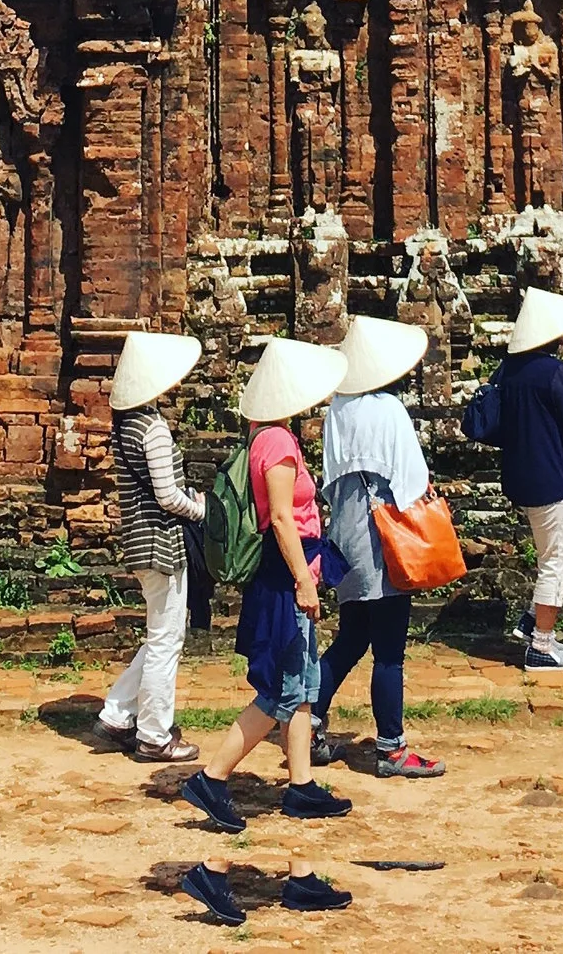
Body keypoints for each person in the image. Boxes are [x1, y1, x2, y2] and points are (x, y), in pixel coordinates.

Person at [179, 335, 357, 926]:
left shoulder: (267, 437)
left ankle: (301, 798)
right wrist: (305, 583)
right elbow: (281, 516)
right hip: (285, 577)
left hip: (289, 572)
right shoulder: (278, 443)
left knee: (302, 691)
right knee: (283, 692)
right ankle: (213, 776)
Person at [310, 314, 446, 779]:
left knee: (351, 638)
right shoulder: (388, 410)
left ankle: (309, 720)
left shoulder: (337, 411)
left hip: (346, 536)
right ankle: (391, 747)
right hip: (384, 539)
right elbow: (411, 482)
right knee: (389, 649)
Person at [95, 329, 206, 765]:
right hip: (162, 545)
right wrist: (201, 510)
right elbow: (168, 497)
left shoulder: (126, 424)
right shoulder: (153, 428)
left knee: (161, 634)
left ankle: (118, 713)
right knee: (166, 641)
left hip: (141, 544)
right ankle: (155, 735)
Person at [480, 286, 563, 672]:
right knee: (555, 556)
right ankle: (541, 646)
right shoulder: (554, 372)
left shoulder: (506, 370)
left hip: (518, 472)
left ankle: (531, 620)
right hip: (546, 475)